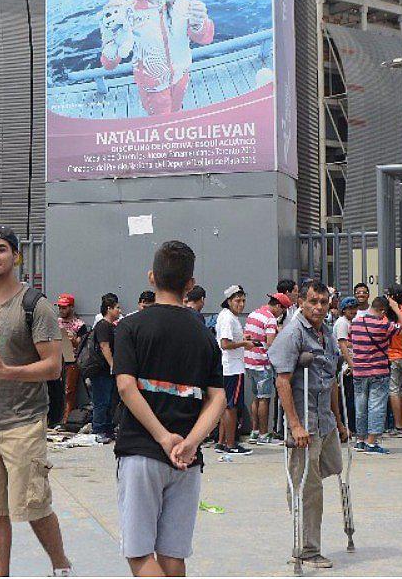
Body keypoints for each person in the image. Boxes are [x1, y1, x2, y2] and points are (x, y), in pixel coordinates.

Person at [0, 225, 71, 577]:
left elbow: (54, 367)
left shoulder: (36, 306)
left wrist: (7, 372)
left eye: (1, 249)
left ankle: (61, 566)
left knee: (33, 505)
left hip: (22, 423)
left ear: (15, 256)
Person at [113, 240, 225, 577]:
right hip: (187, 461)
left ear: (151, 277)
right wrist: (190, 442)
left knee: (139, 554)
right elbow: (217, 397)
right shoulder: (205, 334)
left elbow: (125, 386)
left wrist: (164, 438)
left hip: (142, 451)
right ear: (190, 284)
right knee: (173, 556)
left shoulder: (131, 327)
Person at [270, 280, 347, 569]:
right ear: (301, 301)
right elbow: (282, 380)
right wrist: (295, 425)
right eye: (312, 301)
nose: (318, 307)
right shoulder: (292, 333)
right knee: (307, 485)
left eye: (323, 302)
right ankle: (306, 549)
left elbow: (331, 381)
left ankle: (307, 539)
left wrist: (339, 421)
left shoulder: (326, 332)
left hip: (325, 420)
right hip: (305, 424)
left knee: (332, 469)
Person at [99, 0, 215, 116]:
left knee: (175, 113)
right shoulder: (126, 10)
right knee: (160, 124)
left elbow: (205, 38)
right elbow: (109, 65)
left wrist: (199, 24)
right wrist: (110, 40)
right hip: (152, 87)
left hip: (181, 77)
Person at [348, 294, 402, 454]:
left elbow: (351, 343)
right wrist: (395, 308)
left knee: (360, 406)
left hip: (359, 372)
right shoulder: (383, 325)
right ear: (382, 310)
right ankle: (372, 443)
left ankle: (360, 440)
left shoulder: (355, 323)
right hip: (378, 372)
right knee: (376, 406)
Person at [214, 285, 253, 456]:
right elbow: (225, 344)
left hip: (229, 366)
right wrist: (244, 344)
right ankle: (231, 444)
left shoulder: (227, 316)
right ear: (229, 301)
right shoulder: (228, 318)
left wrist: (243, 340)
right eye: (237, 301)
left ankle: (222, 442)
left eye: (243, 300)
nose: (241, 304)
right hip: (232, 367)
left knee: (226, 406)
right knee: (231, 407)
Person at [244, 292, 287, 445]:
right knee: (265, 398)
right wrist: (280, 334)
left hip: (249, 361)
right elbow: (271, 343)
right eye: (283, 310)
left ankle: (255, 432)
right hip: (262, 363)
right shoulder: (270, 319)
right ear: (277, 306)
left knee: (256, 397)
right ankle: (264, 435)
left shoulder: (254, 313)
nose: (282, 313)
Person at [89, 293, 122, 443]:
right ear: (109, 309)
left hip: (107, 372)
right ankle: (99, 429)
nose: (119, 311)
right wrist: (112, 365)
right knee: (101, 400)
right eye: (117, 308)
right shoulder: (103, 326)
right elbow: (104, 346)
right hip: (101, 370)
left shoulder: (112, 326)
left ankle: (108, 428)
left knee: (110, 401)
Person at [384, 287, 402, 438]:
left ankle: (398, 426)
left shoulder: (392, 314)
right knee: (399, 390)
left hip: (392, 355)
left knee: (393, 390)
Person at [54, 294, 87, 425]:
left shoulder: (79, 324)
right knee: (55, 389)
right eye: (60, 307)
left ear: (71, 307)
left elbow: (82, 344)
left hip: (71, 359)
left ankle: (66, 419)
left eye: (64, 307)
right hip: (56, 358)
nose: (61, 310)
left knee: (69, 390)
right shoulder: (55, 322)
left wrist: (73, 339)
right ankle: (54, 417)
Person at [333, 296, 360, 433]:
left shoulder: (350, 322)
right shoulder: (342, 323)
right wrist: (351, 364)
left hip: (349, 363)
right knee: (347, 397)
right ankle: (347, 426)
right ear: (344, 310)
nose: (353, 311)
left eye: (355, 308)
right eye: (350, 308)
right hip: (344, 366)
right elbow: (342, 344)